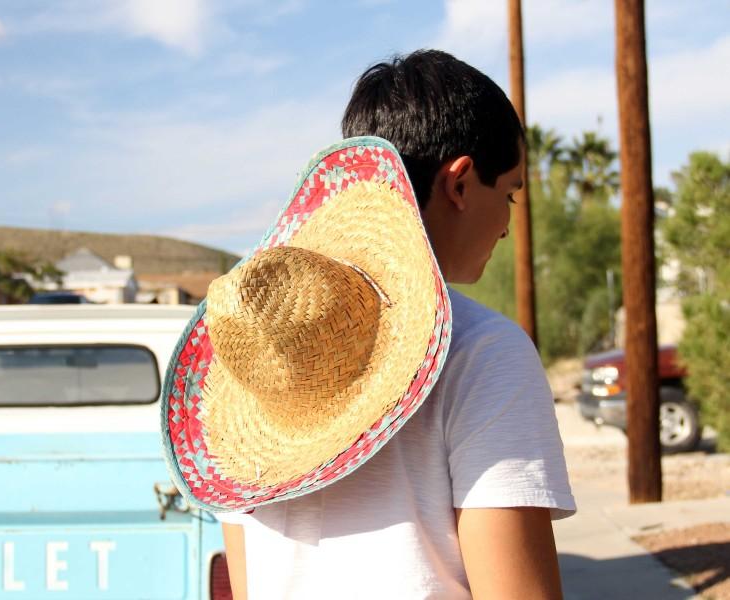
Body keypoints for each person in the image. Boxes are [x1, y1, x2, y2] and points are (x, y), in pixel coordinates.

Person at [219, 49, 576, 599]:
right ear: (459, 184)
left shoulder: (244, 381)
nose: (507, 225)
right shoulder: (483, 352)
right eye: (507, 193)